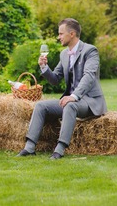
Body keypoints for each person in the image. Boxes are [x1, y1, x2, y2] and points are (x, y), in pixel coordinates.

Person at [17, 18, 107, 159]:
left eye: (61, 34)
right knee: (41, 106)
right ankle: (29, 147)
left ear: (72, 34)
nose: (58, 37)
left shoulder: (90, 51)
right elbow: (55, 79)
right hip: (71, 101)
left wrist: (74, 96)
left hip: (89, 102)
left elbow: (89, 77)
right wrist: (44, 67)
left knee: (70, 106)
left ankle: (59, 149)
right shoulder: (64, 54)